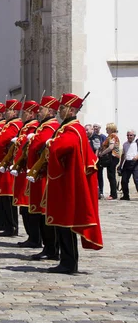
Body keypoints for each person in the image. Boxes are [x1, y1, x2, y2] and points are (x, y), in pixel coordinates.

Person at [42, 93, 103, 274]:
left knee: (65, 223)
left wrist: (52, 143)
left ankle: (68, 263)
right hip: (64, 181)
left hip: (67, 183)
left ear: (72, 110)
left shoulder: (73, 129)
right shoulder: (68, 127)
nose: (59, 110)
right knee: (62, 223)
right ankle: (66, 261)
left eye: (62, 108)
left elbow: (64, 146)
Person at [26, 95, 61, 261]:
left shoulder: (50, 126)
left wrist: (33, 139)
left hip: (44, 175)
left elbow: (40, 144)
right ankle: (47, 246)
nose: (38, 112)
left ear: (50, 111)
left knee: (44, 213)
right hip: (38, 174)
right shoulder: (43, 126)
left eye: (41, 109)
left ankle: (51, 248)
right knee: (39, 213)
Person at [10, 100, 40, 248]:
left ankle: (35, 238)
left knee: (27, 206)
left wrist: (20, 139)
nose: (23, 114)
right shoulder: (26, 126)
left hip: (28, 170)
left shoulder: (34, 126)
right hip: (22, 169)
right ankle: (31, 236)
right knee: (24, 207)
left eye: (26, 112)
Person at [0, 99, 23, 237]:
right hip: (1, 164)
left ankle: (12, 227)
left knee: (8, 198)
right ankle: (5, 224)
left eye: (8, 110)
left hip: (7, 165)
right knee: (2, 197)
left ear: (15, 112)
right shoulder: (9, 124)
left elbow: (2, 141)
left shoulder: (15, 125)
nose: (6, 112)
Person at [99, 123, 121, 200]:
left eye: (107, 128)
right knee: (110, 175)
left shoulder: (112, 136)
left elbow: (111, 147)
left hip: (112, 157)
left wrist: (102, 153)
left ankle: (113, 194)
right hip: (112, 157)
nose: (106, 129)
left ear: (111, 129)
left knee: (111, 176)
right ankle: (113, 193)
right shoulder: (111, 136)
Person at [119, 129, 138, 200]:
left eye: (131, 135)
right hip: (127, 162)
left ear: (134, 136)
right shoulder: (125, 144)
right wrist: (121, 165)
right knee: (124, 180)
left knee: (136, 179)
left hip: (135, 163)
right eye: (128, 135)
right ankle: (126, 195)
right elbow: (123, 155)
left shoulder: (136, 143)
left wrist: (137, 156)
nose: (129, 136)